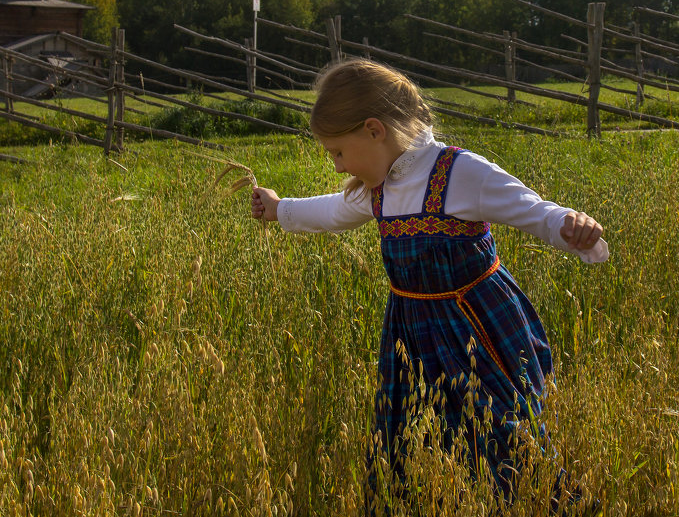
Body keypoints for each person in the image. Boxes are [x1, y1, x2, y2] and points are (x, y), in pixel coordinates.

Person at [250, 58, 607, 509]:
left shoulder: (460, 173)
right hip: (411, 335)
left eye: (338, 152)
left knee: (502, 434)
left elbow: (531, 210)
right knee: (409, 438)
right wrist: (281, 208)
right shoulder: (377, 187)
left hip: (476, 330)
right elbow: (332, 212)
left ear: (375, 130)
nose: (338, 165)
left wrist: (571, 226)